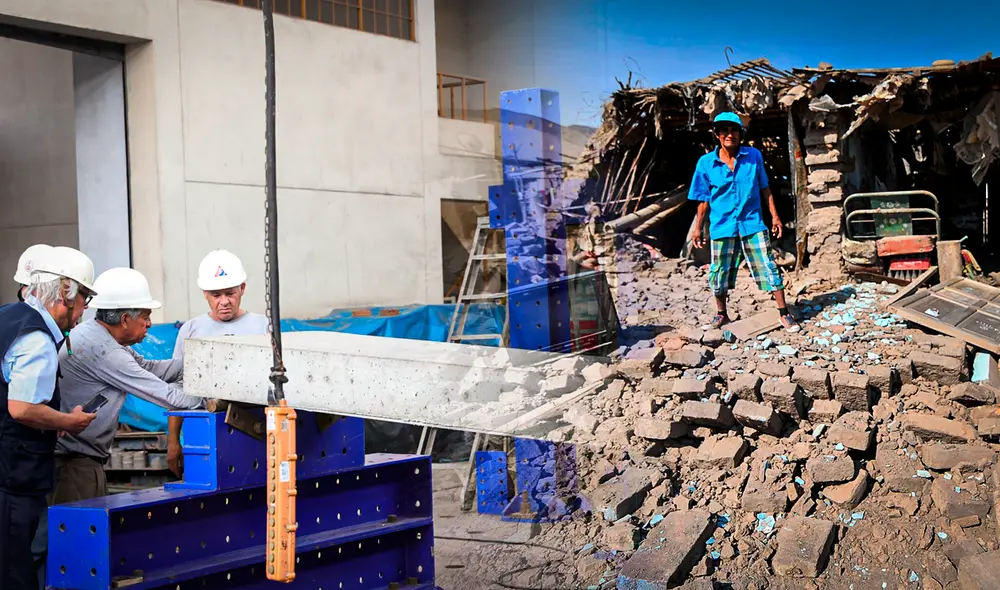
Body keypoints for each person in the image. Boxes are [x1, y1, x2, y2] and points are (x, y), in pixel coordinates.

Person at [52, 267, 206, 503]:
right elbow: (165, 396)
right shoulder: (106, 351)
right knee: (82, 536)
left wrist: (202, 360)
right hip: (75, 463)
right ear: (125, 319)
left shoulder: (96, 335)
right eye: (145, 317)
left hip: (79, 459)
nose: (150, 325)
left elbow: (152, 369)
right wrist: (212, 399)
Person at [1, 246, 98, 589]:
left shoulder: (7, 317)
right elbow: (22, 408)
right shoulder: (37, 338)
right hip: (15, 477)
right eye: (85, 296)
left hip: (9, 467)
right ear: (67, 293)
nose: (86, 307)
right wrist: (66, 422)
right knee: (16, 570)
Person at [689, 112, 800, 333]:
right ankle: (721, 314)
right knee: (718, 271)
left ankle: (784, 313)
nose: (729, 134)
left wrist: (775, 217)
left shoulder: (753, 156)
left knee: (768, 266)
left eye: (734, 130)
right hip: (722, 225)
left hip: (752, 223)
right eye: (724, 130)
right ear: (717, 134)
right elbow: (702, 199)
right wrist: (698, 228)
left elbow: (765, 189)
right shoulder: (706, 163)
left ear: (741, 133)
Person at [167, 250, 268, 476]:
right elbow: (177, 387)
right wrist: (173, 440)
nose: (223, 302)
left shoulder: (262, 327)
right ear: (204, 294)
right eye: (215, 295)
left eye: (230, 293)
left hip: (256, 430)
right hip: (205, 429)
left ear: (242, 288)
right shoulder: (191, 331)